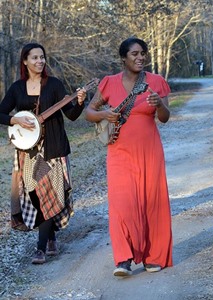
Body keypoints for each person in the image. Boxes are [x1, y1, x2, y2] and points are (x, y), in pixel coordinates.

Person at [85, 37, 173, 277]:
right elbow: (89, 112)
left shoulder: (156, 82)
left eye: (143, 53)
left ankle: (152, 256)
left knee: (151, 202)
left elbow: (165, 117)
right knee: (122, 203)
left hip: (150, 151)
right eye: (134, 54)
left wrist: (159, 105)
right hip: (119, 152)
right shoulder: (109, 82)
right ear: (123, 58)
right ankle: (123, 258)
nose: (140, 57)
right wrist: (105, 113)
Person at [0, 43, 87, 264]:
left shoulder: (55, 85)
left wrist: (79, 101)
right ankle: (50, 235)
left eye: (42, 57)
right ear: (25, 61)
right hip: (27, 152)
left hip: (53, 150)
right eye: (35, 58)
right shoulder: (17, 88)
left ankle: (40, 249)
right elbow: (0, 113)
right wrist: (14, 119)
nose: (40, 61)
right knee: (35, 195)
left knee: (50, 193)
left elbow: (72, 115)